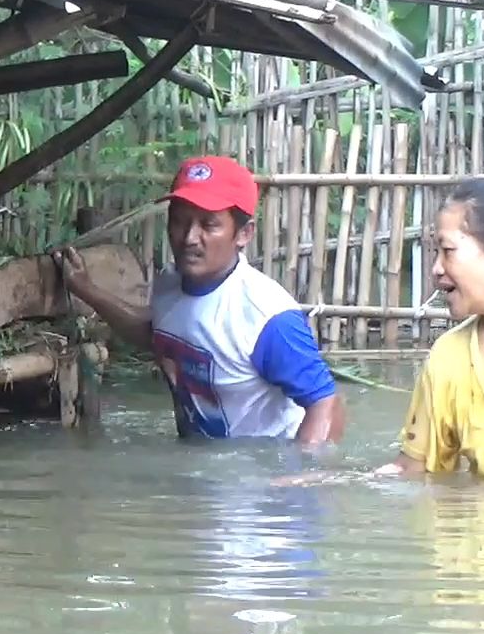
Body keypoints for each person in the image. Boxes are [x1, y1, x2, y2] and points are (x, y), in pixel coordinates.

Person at [54, 155, 344, 446]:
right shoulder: (170, 282)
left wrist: (301, 480)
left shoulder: (267, 317)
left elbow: (326, 403)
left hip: (260, 472)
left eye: (209, 224)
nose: (190, 237)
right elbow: (156, 333)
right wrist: (84, 288)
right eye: (180, 221)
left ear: (244, 233)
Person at [375, 179, 484, 483]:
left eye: (448, 250)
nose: (436, 269)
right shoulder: (449, 359)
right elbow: (415, 471)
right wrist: (331, 482)